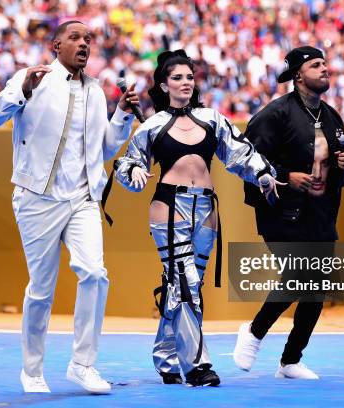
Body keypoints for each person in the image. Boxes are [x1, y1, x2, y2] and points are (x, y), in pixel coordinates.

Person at [0, 20, 139, 394]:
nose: (84, 43)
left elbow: (104, 150)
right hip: (37, 198)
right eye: (75, 38)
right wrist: (20, 91)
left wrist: (122, 116)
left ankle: (83, 364)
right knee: (42, 289)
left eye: (89, 39)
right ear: (56, 45)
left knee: (95, 274)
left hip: (83, 199)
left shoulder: (98, 91)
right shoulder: (32, 78)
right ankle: (32, 370)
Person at [115, 49, 282, 387]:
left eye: (190, 77)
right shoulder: (153, 125)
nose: (186, 82)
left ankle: (165, 359)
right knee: (186, 283)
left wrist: (263, 174)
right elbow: (128, 162)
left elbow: (239, 153)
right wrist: (132, 172)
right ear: (164, 85)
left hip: (206, 210)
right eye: (178, 77)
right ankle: (197, 366)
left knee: (183, 287)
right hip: (168, 208)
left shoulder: (212, 119)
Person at [233, 46, 344, 379]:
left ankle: (290, 361)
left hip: (321, 215)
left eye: (325, 63)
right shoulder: (273, 115)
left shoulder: (332, 118)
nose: (325, 68)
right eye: (316, 65)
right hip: (282, 214)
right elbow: (248, 161)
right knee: (298, 276)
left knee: (315, 289)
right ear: (298, 75)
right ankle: (255, 331)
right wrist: (285, 176)